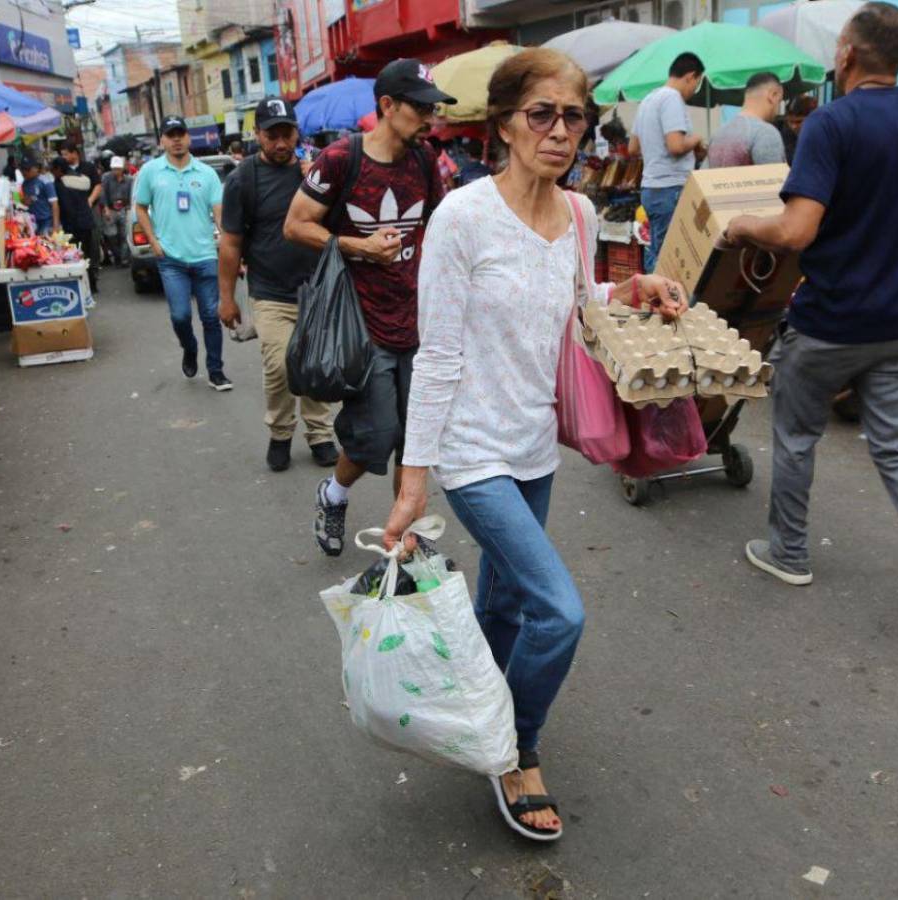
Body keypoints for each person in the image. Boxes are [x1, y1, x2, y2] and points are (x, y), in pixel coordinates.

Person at [381, 47, 688, 842]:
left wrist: (630, 288)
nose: (560, 131)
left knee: (506, 603)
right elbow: (438, 353)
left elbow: (574, 300)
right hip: (473, 453)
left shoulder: (581, 213)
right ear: (505, 126)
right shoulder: (462, 217)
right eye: (541, 114)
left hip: (534, 445)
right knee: (559, 612)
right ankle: (513, 747)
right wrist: (415, 482)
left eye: (573, 116)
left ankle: (468, 705)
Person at [724, 1, 898, 642]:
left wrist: (743, 227)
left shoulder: (831, 123)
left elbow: (796, 230)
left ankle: (788, 554)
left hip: (832, 325)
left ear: (849, 53)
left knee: (797, 435)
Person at [284, 58, 454, 557]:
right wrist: (358, 246)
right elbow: (296, 225)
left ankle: (402, 539)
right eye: (421, 107)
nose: (430, 118)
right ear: (387, 105)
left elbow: (440, 227)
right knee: (375, 435)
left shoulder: (424, 161)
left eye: (432, 108)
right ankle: (332, 494)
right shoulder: (340, 159)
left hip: (418, 320)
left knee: (415, 440)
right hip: (361, 324)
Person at [219, 97, 338, 471]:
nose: (280, 142)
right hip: (270, 292)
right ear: (257, 135)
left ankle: (319, 433)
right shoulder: (243, 180)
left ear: (296, 132)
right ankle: (281, 432)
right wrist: (227, 298)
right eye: (272, 135)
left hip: (317, 288)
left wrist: (317, 183)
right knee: (281, 366)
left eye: (286, 133)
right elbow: (231, 242)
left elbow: (339, 224)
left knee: (316, 365)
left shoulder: (316, 173)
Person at [135, 116, 232, 392]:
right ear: (162, 140)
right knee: (180, 316)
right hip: (171, 260)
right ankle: (189, 348)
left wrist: (228, 246)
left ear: (189, 138)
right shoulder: (151, 171)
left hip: (204, 256)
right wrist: (153, 242)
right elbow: (140, 207)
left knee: (211, 318)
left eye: (181, 134)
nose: (176, 139)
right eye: (170, 134)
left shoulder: (206, 174)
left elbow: (220, 215)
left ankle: (216, 371)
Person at [630, 52, 706, 273]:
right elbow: (675, 146)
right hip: (669, 188)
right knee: (670, 257)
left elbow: (633, 148)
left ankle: (651, 300)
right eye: (697, 83)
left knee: (655, 250)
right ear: (690, 76)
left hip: (651, 188)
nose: (694, 90)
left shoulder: (647, 100)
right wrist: (696, 139)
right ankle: (661, 302)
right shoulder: (672, 98)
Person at [707, 72, 786, 169]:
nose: (777, 109)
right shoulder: (765, 133)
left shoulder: (717, 134)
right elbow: (775, 181)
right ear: (772, 95)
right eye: (779, 100)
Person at [50, 156, 100, 300]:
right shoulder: (80, 178)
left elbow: (65, 206)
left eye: (53, 171)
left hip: (73, 225)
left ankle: (82, 287)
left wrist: (60, 226)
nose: (53, 174)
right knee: (88, 255)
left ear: (59, 169)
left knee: (75, 257)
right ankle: (93, 284)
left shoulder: (60, 183)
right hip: (87, 221)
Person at [100, 156, 133, 266]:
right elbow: (103, 193)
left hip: (124, 209)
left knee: (125, 235)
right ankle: (117, 256)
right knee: (111, 235)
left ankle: (124, 259)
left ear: (122, 168)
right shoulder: (106, 178)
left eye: (118, 168)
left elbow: (131, 196)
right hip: (111, 209)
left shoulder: (129, 180)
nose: (116, 171)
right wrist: (106, 209)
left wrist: (129, 208)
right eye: (114, 168)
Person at [21, 157, 59, 236]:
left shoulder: (45, 181)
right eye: (23, 169)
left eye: (27, 169)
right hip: (33, 221)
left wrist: (55, 226)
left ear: (36, 168)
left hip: (47, 221)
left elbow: (54, 205)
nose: (24, 172)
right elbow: (27, 202)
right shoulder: (25, 184)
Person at [780, 94, 818, 165]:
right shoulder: (785, 135)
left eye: (799, 122)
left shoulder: (823, 135)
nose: (793, 126)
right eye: (790, 122)